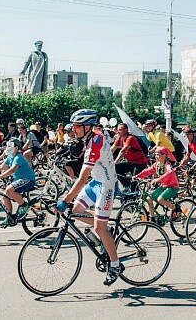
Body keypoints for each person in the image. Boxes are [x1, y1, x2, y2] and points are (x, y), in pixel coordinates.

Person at [56, 109, 122, 286]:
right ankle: (102, 226)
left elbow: (82, 178)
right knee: (76, 212)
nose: (74, 129)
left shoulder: (95, 143)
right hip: (96, 182)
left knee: (99, 227)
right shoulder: (88, 138)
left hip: (107, 185)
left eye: (77, 126)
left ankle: (115, 265)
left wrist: (65, 200)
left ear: (87, 126)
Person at [0, 138, 37, 227]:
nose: (8, 148)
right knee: (5, 197)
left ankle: (24, 205)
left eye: (10, 146)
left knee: (9, 190)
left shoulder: (18, 157)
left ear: (16, 148)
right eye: (8, 145)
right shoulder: (11, 156)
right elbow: (2, 166)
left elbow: (12, 170)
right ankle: (9, 218)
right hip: (19, 179)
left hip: (28, 179)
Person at [134, 146, 182, 222]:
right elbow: (148, 171)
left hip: (172, 187)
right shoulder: (157, 164)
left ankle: (176, 209)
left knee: (160, 199)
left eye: (158, 155)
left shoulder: (168, 165)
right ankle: (152, 219)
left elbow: (170, 172)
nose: (156, 156)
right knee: (149, 198)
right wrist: (138, 176)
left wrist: (158, 179)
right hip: (163, 186)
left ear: (164, 155)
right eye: (155, 154)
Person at [111, 123, 148, 188]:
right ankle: (127, 185)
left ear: (125, 130)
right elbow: (112, 149)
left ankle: (134, 194)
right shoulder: (119, 138)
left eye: (120, 130)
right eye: (117, 130)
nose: (118, 132)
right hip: (130, 162)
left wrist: (115, 161)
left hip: (139, 163)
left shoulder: (130, 138)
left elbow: (123, 151)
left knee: (134, 182)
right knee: (115, 168)